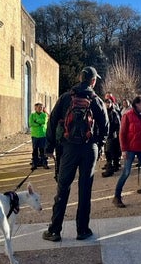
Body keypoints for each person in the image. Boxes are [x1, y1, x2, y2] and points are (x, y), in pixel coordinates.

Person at [42, 66, 109, 242]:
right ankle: (83, 230)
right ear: (93, 81)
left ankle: (55, 230)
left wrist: (49, 146)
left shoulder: (66, 98)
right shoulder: (96, 100)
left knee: (63, 189)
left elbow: (52, 121)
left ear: (80, 78)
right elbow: (105, 127)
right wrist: (99, 144)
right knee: (85, 190)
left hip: (68, 148)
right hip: (89, 149)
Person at [113, 95, 141, 207]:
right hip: (130, 149)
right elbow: (122, 134)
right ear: (136, 104)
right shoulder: (127, 115)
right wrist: (123, 150)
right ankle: (117, 196)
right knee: (126, 172)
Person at [101, 95, 122, 177]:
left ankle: (110, 169)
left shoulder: (114, 113)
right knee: (107, 151)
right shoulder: (105, 112)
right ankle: (110, 166)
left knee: (110, 152)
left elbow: (118, 125)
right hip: (107, 134)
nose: (107, 104)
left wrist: (117, 134)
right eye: (106, 103)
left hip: (112, 135)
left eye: (108, 103)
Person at [29, 103, 49, 169]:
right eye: (39, 107)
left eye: (41, 107)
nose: (40, 108)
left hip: (42, 135)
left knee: (43, 150)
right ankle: (34, 163)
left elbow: (43, 122)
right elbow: (31, 123)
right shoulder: (32, 115)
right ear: (35, 108)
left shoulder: (44, 115)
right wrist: (38, 124)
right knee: (35, 150)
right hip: (34, 135)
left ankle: (44, 163)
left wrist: (36, 121)